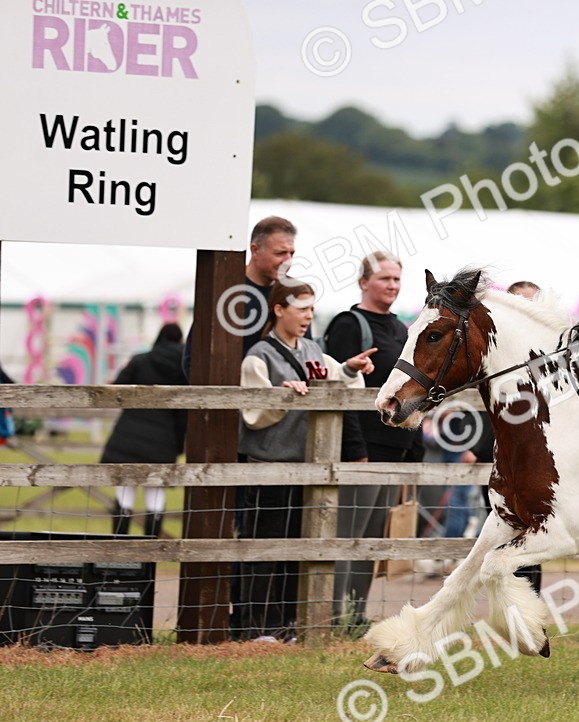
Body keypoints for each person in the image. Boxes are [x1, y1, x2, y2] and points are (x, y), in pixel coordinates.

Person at [235, 281, 375, 642]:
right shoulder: (258, 355)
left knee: (298, 550)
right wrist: (282, 397)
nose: (308, 316)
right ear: (279, 309)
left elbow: (336, 382)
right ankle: (257, 628)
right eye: (301, 309)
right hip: (270, 468)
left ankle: (286, 627)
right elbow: (254, 412)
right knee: (265, 547)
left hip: (307, 468)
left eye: (312, 309)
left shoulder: (313, 349)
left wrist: (349, 368)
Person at [322, 252, 426, 625]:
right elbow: (336, 392)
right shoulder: (349, 325)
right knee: (348, 535)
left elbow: (413, 390)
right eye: (384, 279)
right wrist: (355, 449)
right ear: (364, 282)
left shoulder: (401, 329)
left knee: (372, 540)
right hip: (362, 448)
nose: (392, 286)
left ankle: (356, 615)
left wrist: (415, 448)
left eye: (397, 279)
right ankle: (333, 616)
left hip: (395, 449)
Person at [99, 323, 188, 536]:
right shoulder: (184, 369)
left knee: (124, 493)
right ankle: (150, 554)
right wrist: (178, 445)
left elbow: (117, 391)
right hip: (163, 440)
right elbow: (184, 413)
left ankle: (118, 551)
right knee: (155, 494)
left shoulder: (141, 360)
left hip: (128, 436)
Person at [183, 216, 298, 377]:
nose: (288, 261)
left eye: (291, 253)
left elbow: (306, 354)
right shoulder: (225, 290)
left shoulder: (294, 293)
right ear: (255, 250)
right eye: (280, 253)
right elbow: (193, 359)